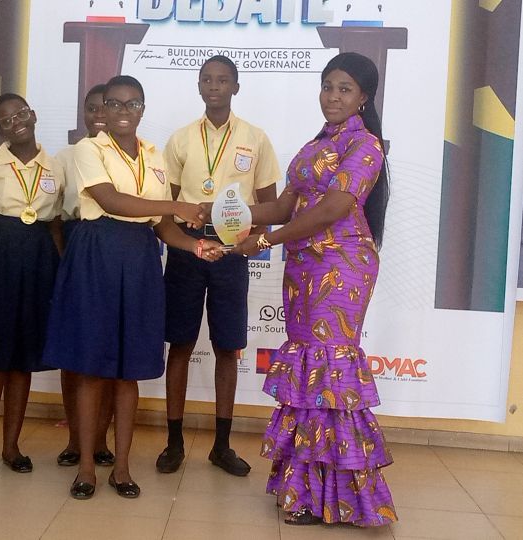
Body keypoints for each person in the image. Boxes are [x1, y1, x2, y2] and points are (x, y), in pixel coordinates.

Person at [232, 52, 396, 527]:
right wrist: (224, 211)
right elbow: (283, 207)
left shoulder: (366, 145)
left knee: (329, 374)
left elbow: (334, 208)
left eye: (345, 89)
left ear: (364, 97)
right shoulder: (314, 145)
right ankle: (304, 488)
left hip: (341, 267)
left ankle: (339, 499)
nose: (333, 96)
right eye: (327, 86)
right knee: (309, 376)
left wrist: (267, 241)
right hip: (304, 267)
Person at [43, 75, 223, 500]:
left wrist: (197, 246)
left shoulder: (154, 156)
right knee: (92, 368)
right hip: (97, 253)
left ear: (143, 109)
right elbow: (110, 200)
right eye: (115, 104)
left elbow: (162, 227)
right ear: (103, 109)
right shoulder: (89, 149)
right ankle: (86, 468)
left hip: (140, 258)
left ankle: (121, 468)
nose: (123, 112)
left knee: (128, 372)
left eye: (133, 104)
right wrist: (177, 205)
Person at [156, 55, 280, 476]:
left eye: (223, 80)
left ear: (235, 87)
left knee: (228, 347)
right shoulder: (180, 139)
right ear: (198, 86)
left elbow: (270, 206)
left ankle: (221, 446)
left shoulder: (255, 139)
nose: (214, 86)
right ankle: (174, 442)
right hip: (187, 248)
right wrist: (191, 236)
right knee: (181, 344)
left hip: (231, 251)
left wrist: (243, 236)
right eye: (207, 79)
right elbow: (167, 205)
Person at [0, 93, 63, 475]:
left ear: (34, 115)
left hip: (39, 259)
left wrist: (60, 273)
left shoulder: (56, 167)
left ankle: (11, 446)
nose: (16, 122)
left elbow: (56, 224)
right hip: (0, 257)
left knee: (23, 361)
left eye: (21, 114)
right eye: (6, 120)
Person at [54, 84, 115, 468]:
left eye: (105, 107)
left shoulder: (130, 157)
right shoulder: (66, 156)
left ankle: (100, 440)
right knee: (75, 352)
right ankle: (76, 439)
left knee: (107, 349)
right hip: (78, 246)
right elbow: (54, 217)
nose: (98, 115)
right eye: (91, 108)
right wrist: (66, 259)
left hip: (115, 247)